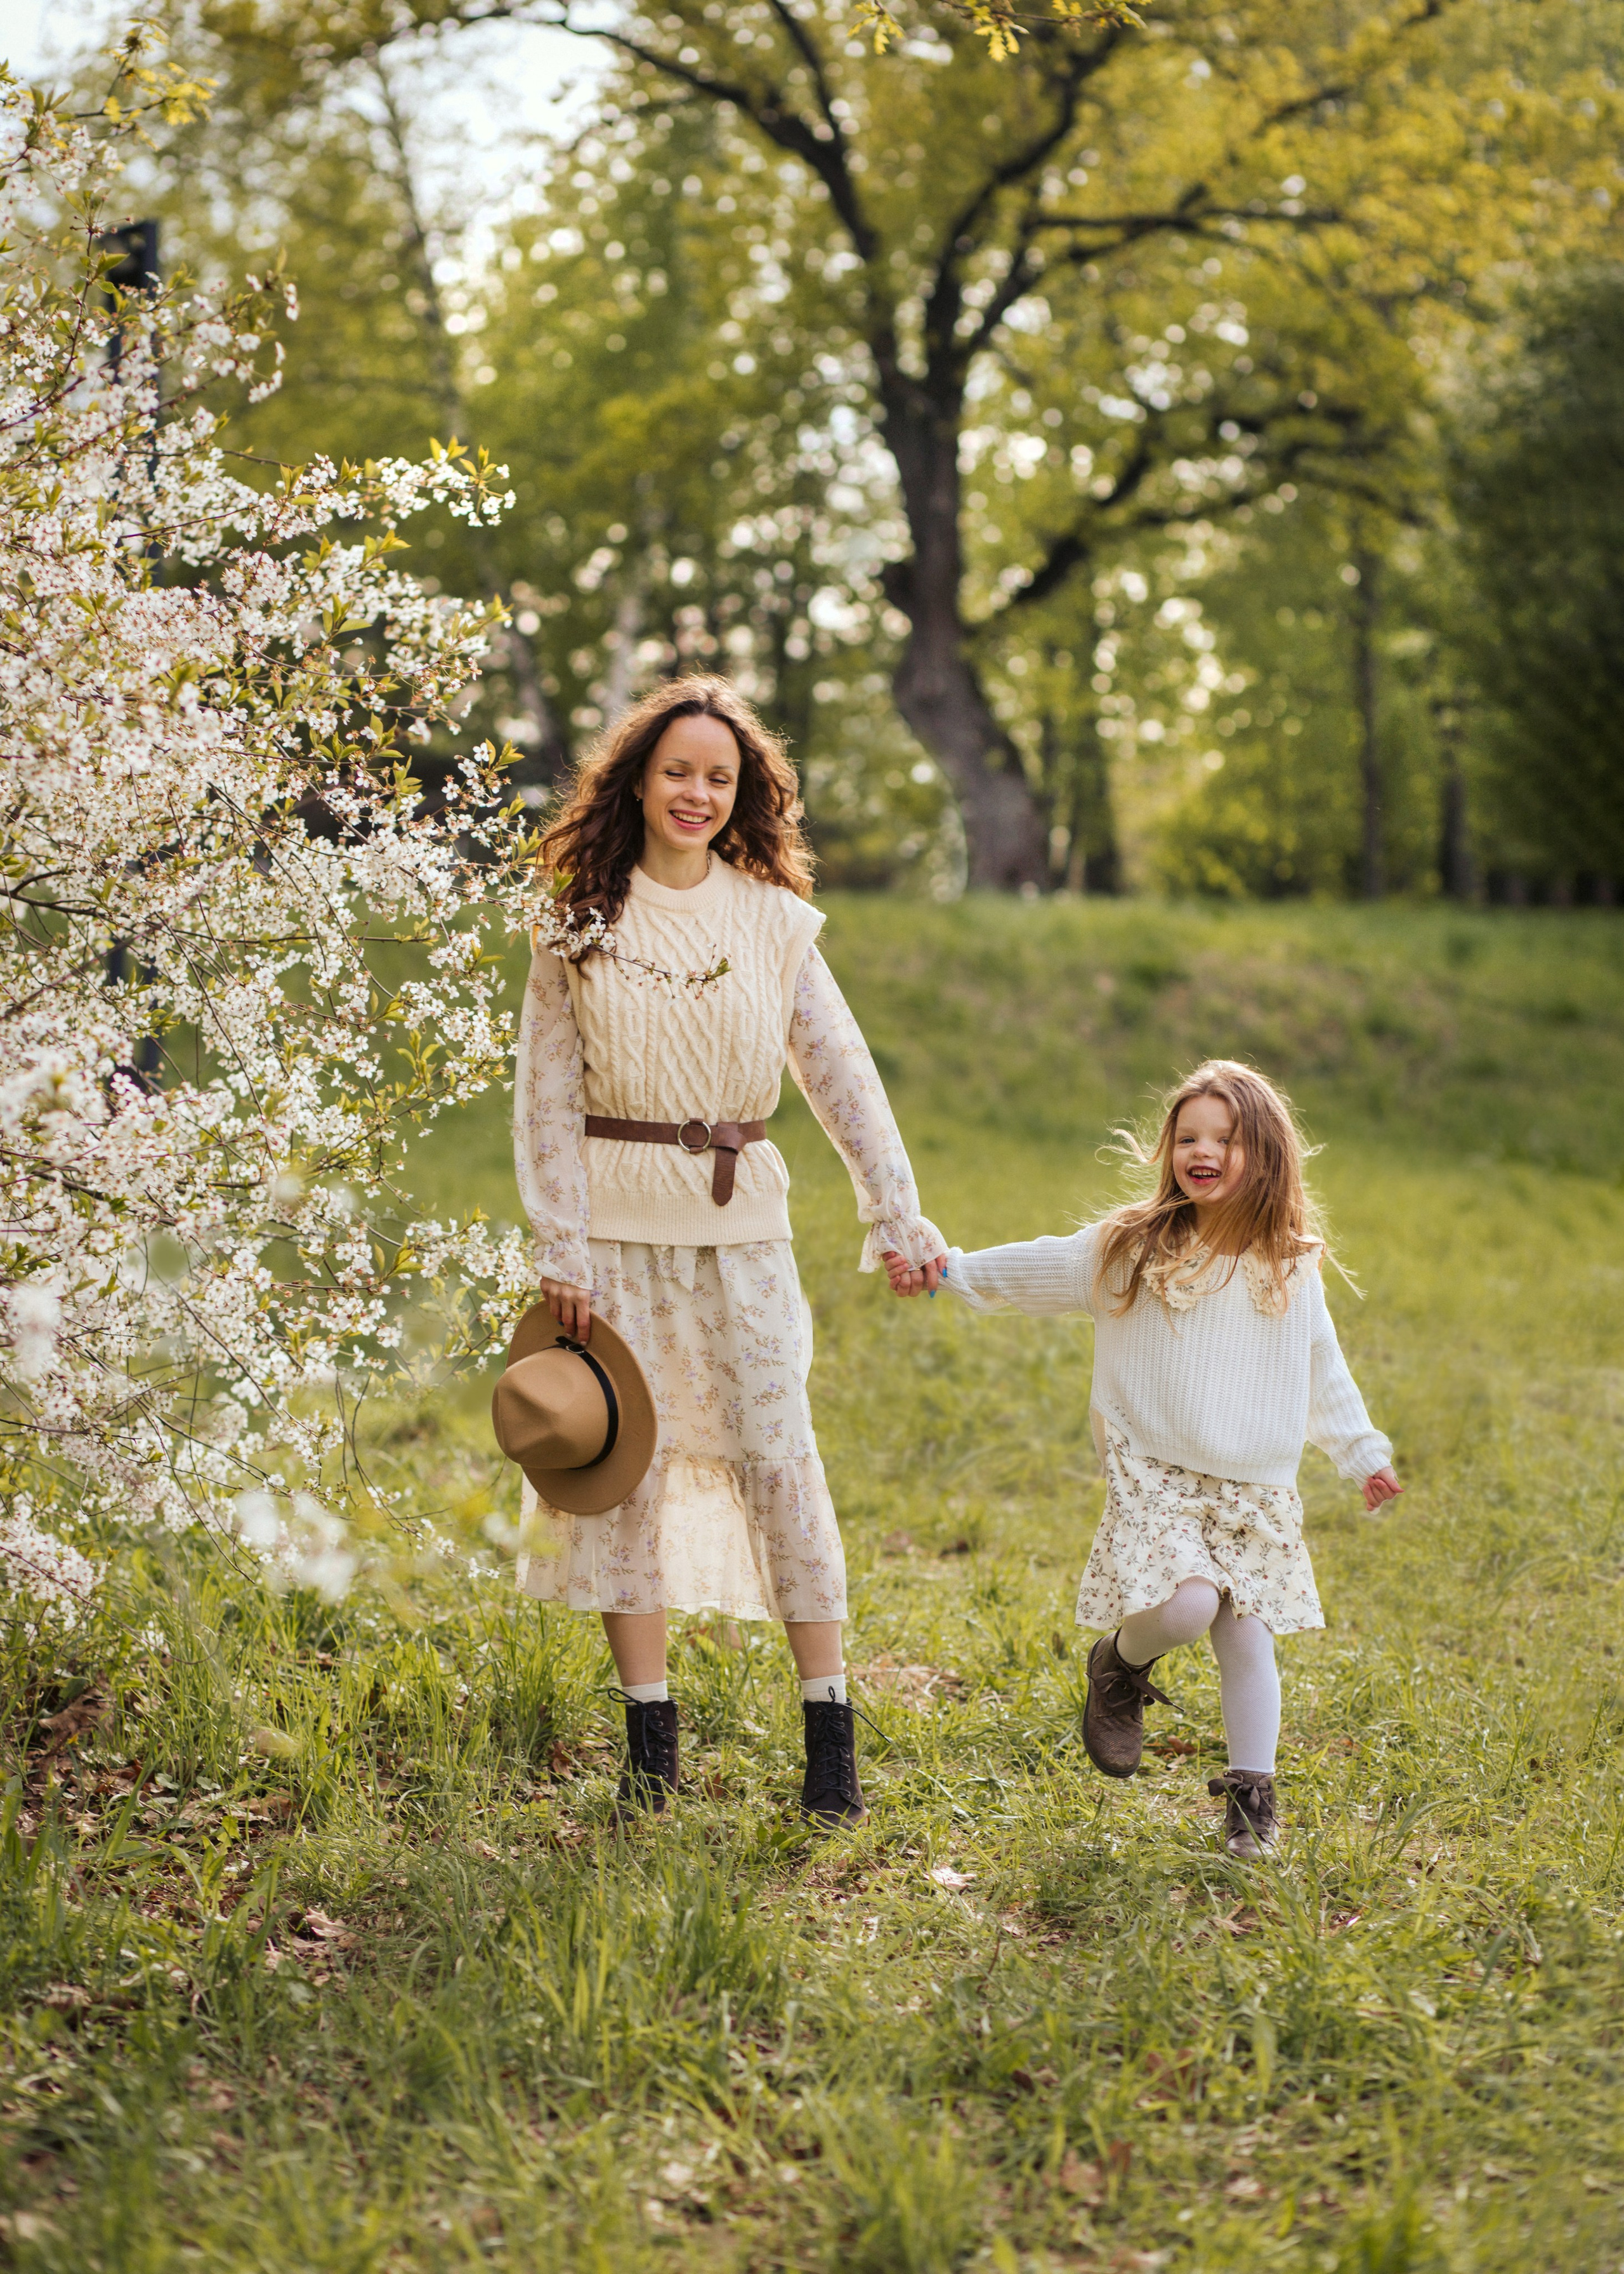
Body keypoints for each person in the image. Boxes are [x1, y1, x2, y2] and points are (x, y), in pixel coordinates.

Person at [511, 674, 945, 1825]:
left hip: (744, 1231)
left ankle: (831, 1739)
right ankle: (649, 1747)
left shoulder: (772, 919)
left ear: (743, 790)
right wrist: (562, 1238)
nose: (697, 792)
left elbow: (841, 1074)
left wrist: (893, 1211)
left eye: (719, 775)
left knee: (777, 1458)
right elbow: (546, 1094)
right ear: (638, 782)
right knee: (625, 1479)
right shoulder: (579, 913)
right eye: (677, 771)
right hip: (612, 1241)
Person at [891, 1060, 1399, 1857]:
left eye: (1225, 1139)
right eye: (1187, 1136)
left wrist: (1360, 1452)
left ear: (1265, 1154)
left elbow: (1320, 1367)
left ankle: (1251, 1798)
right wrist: (947, 1270)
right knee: (1190, 1606)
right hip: (1154, 1463)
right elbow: (1035, 1267)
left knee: (1247, 1636)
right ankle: (1119, 1665)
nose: (1202, 1150)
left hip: (1253, 1481)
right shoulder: (1135, 1246)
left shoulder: (1291, 1264)